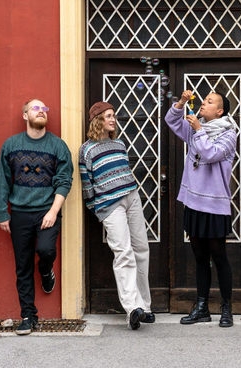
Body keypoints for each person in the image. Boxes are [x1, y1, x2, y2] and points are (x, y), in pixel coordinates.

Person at [0, 99, 74, 335]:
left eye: (44, 109)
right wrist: (2, 212)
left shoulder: (58, 146)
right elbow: (3, 180)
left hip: (47, 211)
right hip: (19, 213)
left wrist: (53, 211)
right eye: (36, 108)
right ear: (25, 115)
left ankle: (46, 270)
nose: (41, 111)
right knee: (23, 266)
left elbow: (64, 181)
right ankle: (28, 316)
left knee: (46, 251)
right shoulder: (11, 145)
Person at [79, 101, 154, 330]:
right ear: (97, 120)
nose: (113, 119)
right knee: (123, 252)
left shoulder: (119, 143)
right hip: (110, 205)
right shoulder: (87, 149)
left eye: (114, 115)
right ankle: (133, 308)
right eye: (108, 116)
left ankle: (145, 306)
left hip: (132, 197)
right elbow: (87, 185)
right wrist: (97, 208)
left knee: (141, 249)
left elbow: (124, 172)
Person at [165, 90, 237, 328]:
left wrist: (198, 129)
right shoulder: (197, 128)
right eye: (204, 100)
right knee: (200, 257)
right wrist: (182, 102)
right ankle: (202, 307)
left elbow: (211, 153)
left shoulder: (228, 134)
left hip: (214, 204)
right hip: (194, 202)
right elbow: (171, 120)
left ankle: (226, 308)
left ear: (220, 111)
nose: (204, 103)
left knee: (219, 257)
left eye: (210, 101)